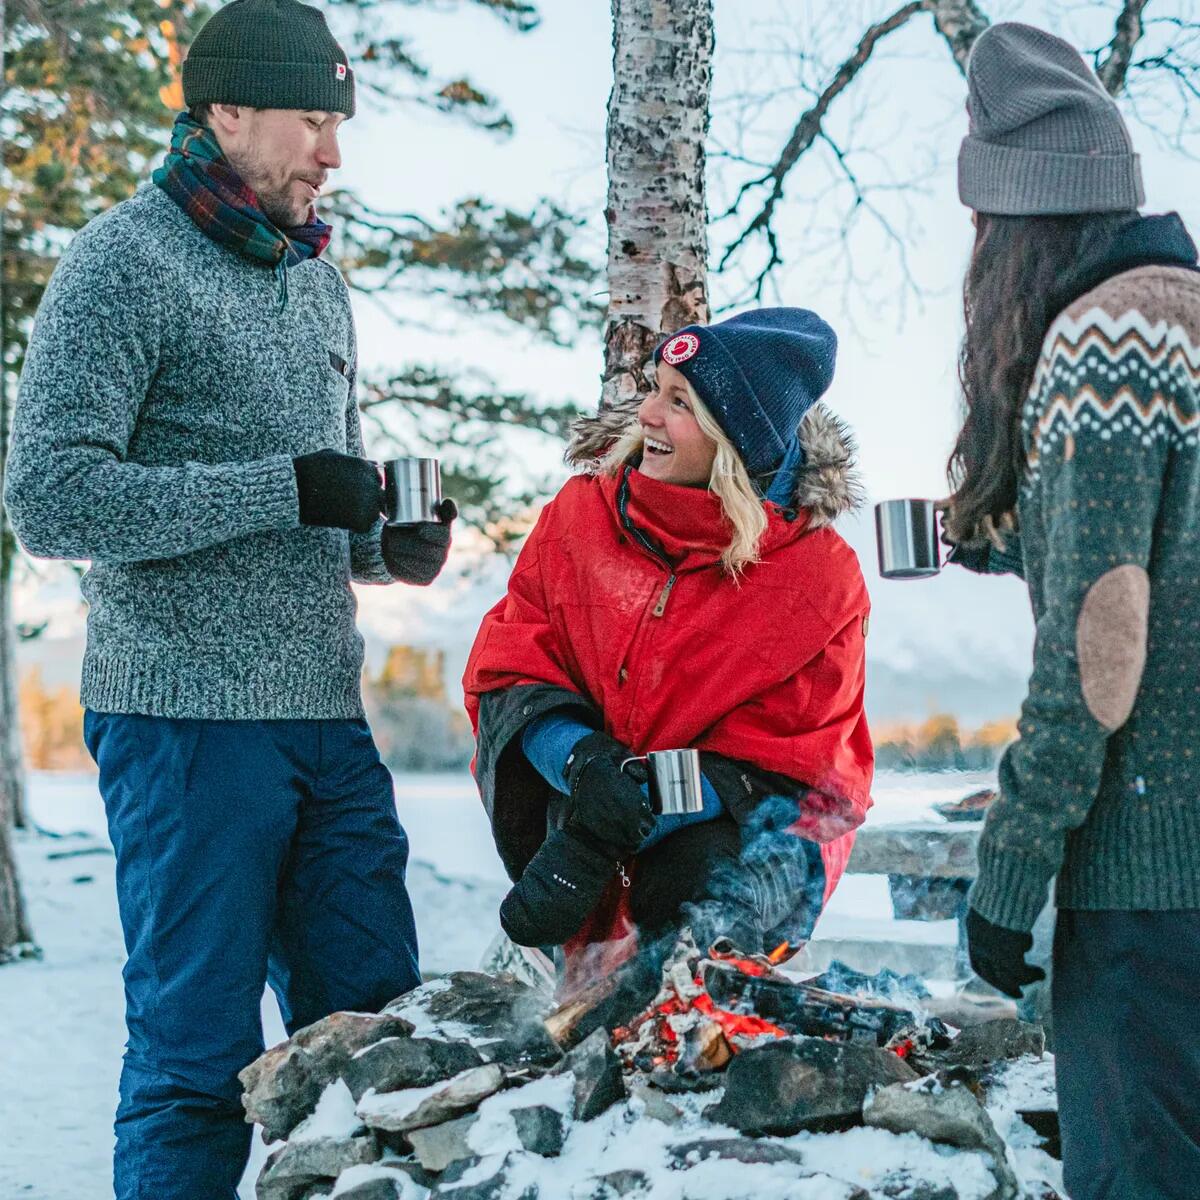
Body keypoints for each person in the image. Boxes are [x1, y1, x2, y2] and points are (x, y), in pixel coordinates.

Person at [3, 1, 454, 1195]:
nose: (333, 153)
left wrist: (384, 546)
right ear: (228, 111)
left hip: (326, 721)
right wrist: (283, 488)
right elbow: (51, 499)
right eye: (314, 122)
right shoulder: (120, 262)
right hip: (187, 726)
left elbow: (317, 508)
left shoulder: (319, 285)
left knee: (379, 1046)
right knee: (197, 1062)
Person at [945, 22, 1200, 1197]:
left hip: (1154, 885)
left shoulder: (1102, 335)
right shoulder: (1185, 311)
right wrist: (1019, 536)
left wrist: (1005, 881)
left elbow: (1103, 646)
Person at [463, 308, 874, 999]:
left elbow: (790, 761)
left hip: (737, 828)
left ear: (734, 440)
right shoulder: (579, 519)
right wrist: (582, 762)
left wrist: (631, 809)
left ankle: (696, 1029)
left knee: (688, 902)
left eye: (679, 401)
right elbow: (512, 663)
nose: (646, 414)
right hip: (587, 797)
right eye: (655, 387)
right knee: (586, 993)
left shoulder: (816, 574)